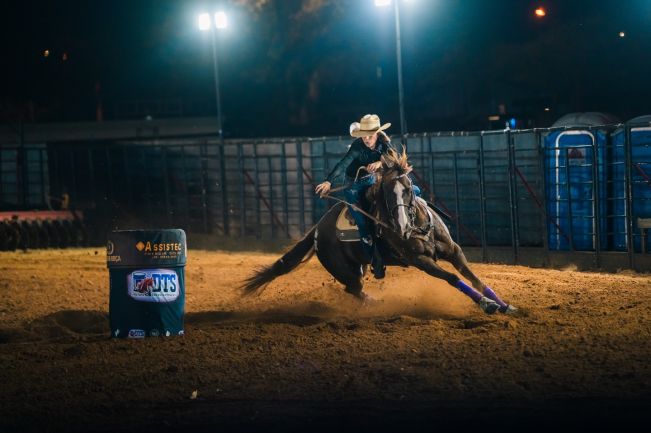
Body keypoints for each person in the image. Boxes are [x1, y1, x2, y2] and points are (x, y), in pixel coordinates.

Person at [315, 114, 393, 279]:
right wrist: (329, 181)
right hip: (353, 187)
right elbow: (343, 164)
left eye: (370, 135)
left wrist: (380, 162)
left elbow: (393, 158)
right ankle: (374, 260)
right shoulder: (357, 147)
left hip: (372, 181)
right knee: (362, 223)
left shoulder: (384, 144)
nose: (366, 139)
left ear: (377, 133)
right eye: (363, 135)